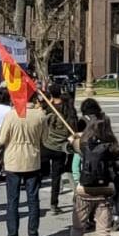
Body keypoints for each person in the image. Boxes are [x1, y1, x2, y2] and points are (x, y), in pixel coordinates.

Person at [63, 99, 119, 236]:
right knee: (103, 229)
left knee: (77, 227)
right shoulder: (111, 143)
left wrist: (74, 138)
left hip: (84, 190)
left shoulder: (82, 143)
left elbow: (67, 146)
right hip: (104, 192)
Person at [0, 100, 47, 236]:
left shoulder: (11, 115)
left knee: (12, 200)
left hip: (13, 161)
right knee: (33, 199)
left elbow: (2, 139)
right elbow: (45, 138)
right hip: (32, 159)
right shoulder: (40, 115)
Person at [40, 85, 75, 214]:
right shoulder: (67, 109)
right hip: (60, 147)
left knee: (40, 172)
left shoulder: (48, 107)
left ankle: (34, 197)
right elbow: (73, 126)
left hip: (47, 144)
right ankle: (54, 204)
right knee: (56, 177)